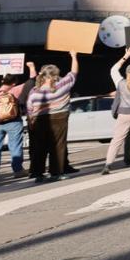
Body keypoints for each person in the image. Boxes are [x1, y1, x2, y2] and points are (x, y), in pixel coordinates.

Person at [26, 53, 78, 181]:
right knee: (58, 145)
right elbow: (74, 72)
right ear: (55, 75)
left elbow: (29, 107)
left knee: (40, 146)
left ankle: (37, 173)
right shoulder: (62, 85)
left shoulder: (34, 91)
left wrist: (31, 120)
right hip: (60, 117)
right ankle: (56, 172)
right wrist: (74, 57)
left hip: (39, 119)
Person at [0, 68, 30, 179]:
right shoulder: (15, 90)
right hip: (14, 121)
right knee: (15, 146)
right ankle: (18, 170)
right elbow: (31, 81)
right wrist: (31, 67)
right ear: (14, 83)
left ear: (2, 81)